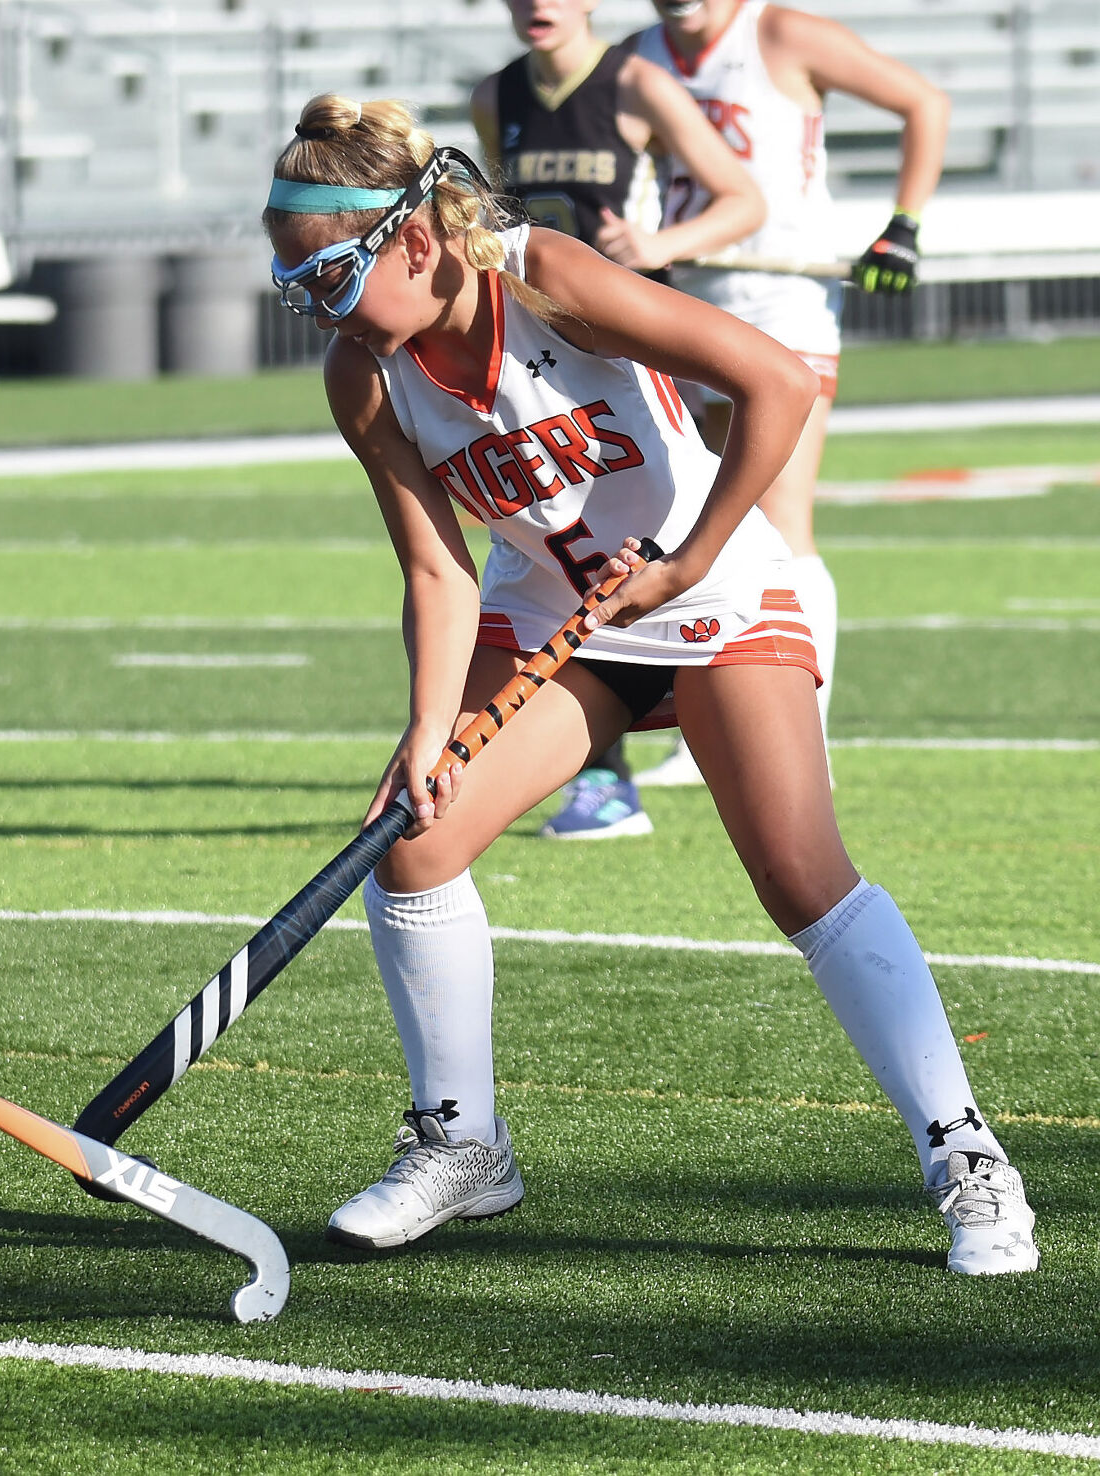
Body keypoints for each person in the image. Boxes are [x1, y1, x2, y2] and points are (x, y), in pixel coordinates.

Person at [264, 95, 1033, 1275]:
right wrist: (428, 733)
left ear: (412, 243)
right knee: (410, 836)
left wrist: (685, 559)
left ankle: (964, 1154)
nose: (315, 309)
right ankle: (463, 1145)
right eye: (295, 287)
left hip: (703, 582)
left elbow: (777, 382)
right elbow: (435, 564)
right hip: (551, 610)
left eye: (324, 278)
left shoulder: (548, 278)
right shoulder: (362, 376)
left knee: (798, 876)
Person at [627, 0, 947, 788]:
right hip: (685, 305)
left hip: (783, 303)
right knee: (701, 517)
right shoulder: (638, 55)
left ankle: (805, 737)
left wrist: (902, 225)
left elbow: (923, 103)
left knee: (779, 517)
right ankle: (706, 729)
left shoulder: (779, 33)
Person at [471, 0, 766, 838]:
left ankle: (722, 710)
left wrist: (658, 244)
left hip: (634, 366)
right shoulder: (495, 97)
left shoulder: (637, 81)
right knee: (552, 548)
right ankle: (602, 775)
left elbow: (741, 199)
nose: (537, 6)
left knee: (656, 535)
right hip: (534, 362)